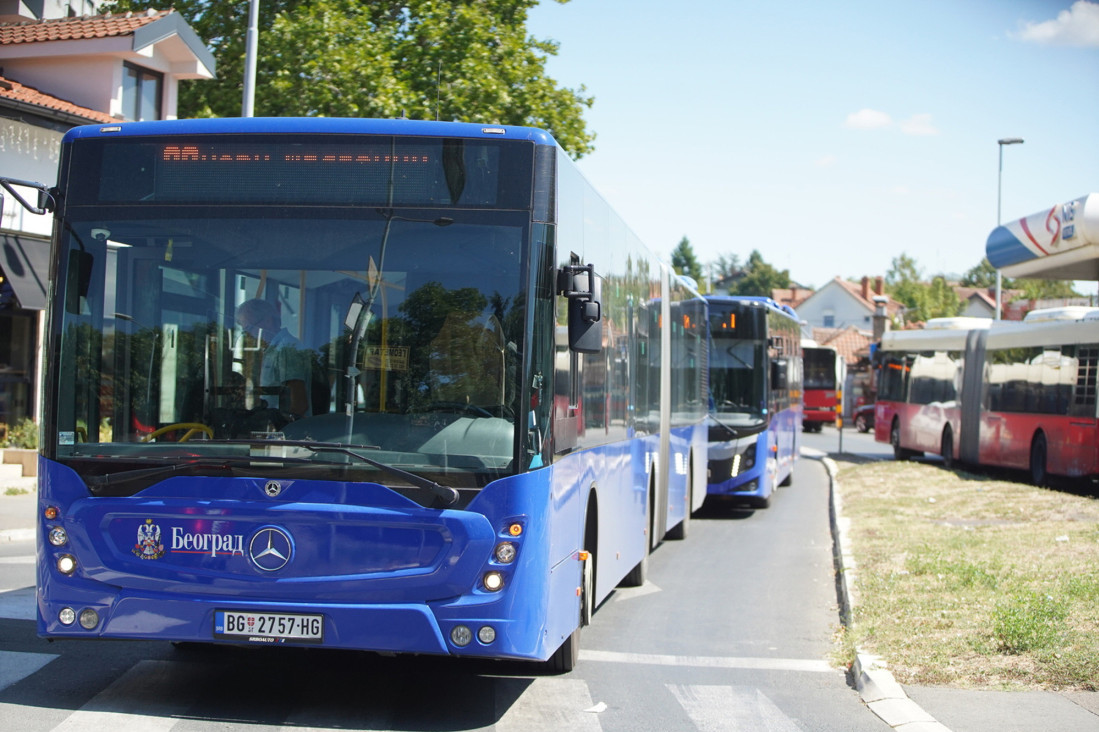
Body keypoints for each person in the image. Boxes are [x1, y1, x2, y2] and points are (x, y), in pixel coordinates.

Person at [235, 298, 311, 420]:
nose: (248, 335)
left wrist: (279, 428)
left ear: (268, 321)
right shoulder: (271, 349)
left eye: (249, 328)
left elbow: (298, 403)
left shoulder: (286, 348)